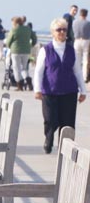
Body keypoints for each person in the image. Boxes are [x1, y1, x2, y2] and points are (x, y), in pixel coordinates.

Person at [33, 18, 87, 153]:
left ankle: (65, 148)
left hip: (69, 91)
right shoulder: (45, 50)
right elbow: (38, 72)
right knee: (50, 120)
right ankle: (48, 139)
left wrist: (83, 91)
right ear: (53, 32)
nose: (62, 32)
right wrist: (37, 89)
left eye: (64, 29)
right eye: (59, 30)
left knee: (67, 123)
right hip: (50, 92)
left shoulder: (71, 50)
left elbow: (78, 71)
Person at [5, 16, 35, 91]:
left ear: (15, 22)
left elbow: (8, 41)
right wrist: (31, 45)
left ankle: (20, 85)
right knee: (24, 68)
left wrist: (9, 46)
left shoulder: (14, 29)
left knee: (16, 68)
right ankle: (29, 82)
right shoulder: (28, 29)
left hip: (16, 51)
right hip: (26, 51)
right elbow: (34, 38)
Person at [72, 9, 90, 81]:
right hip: (86, 40)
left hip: (77, 40)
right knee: (85, 59)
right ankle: (84, 76)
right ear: (86, 14)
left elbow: (73, 31)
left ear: (80, 14)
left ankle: (76, 76)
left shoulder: (74, 22)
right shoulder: (88, 23)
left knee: (77, 59)